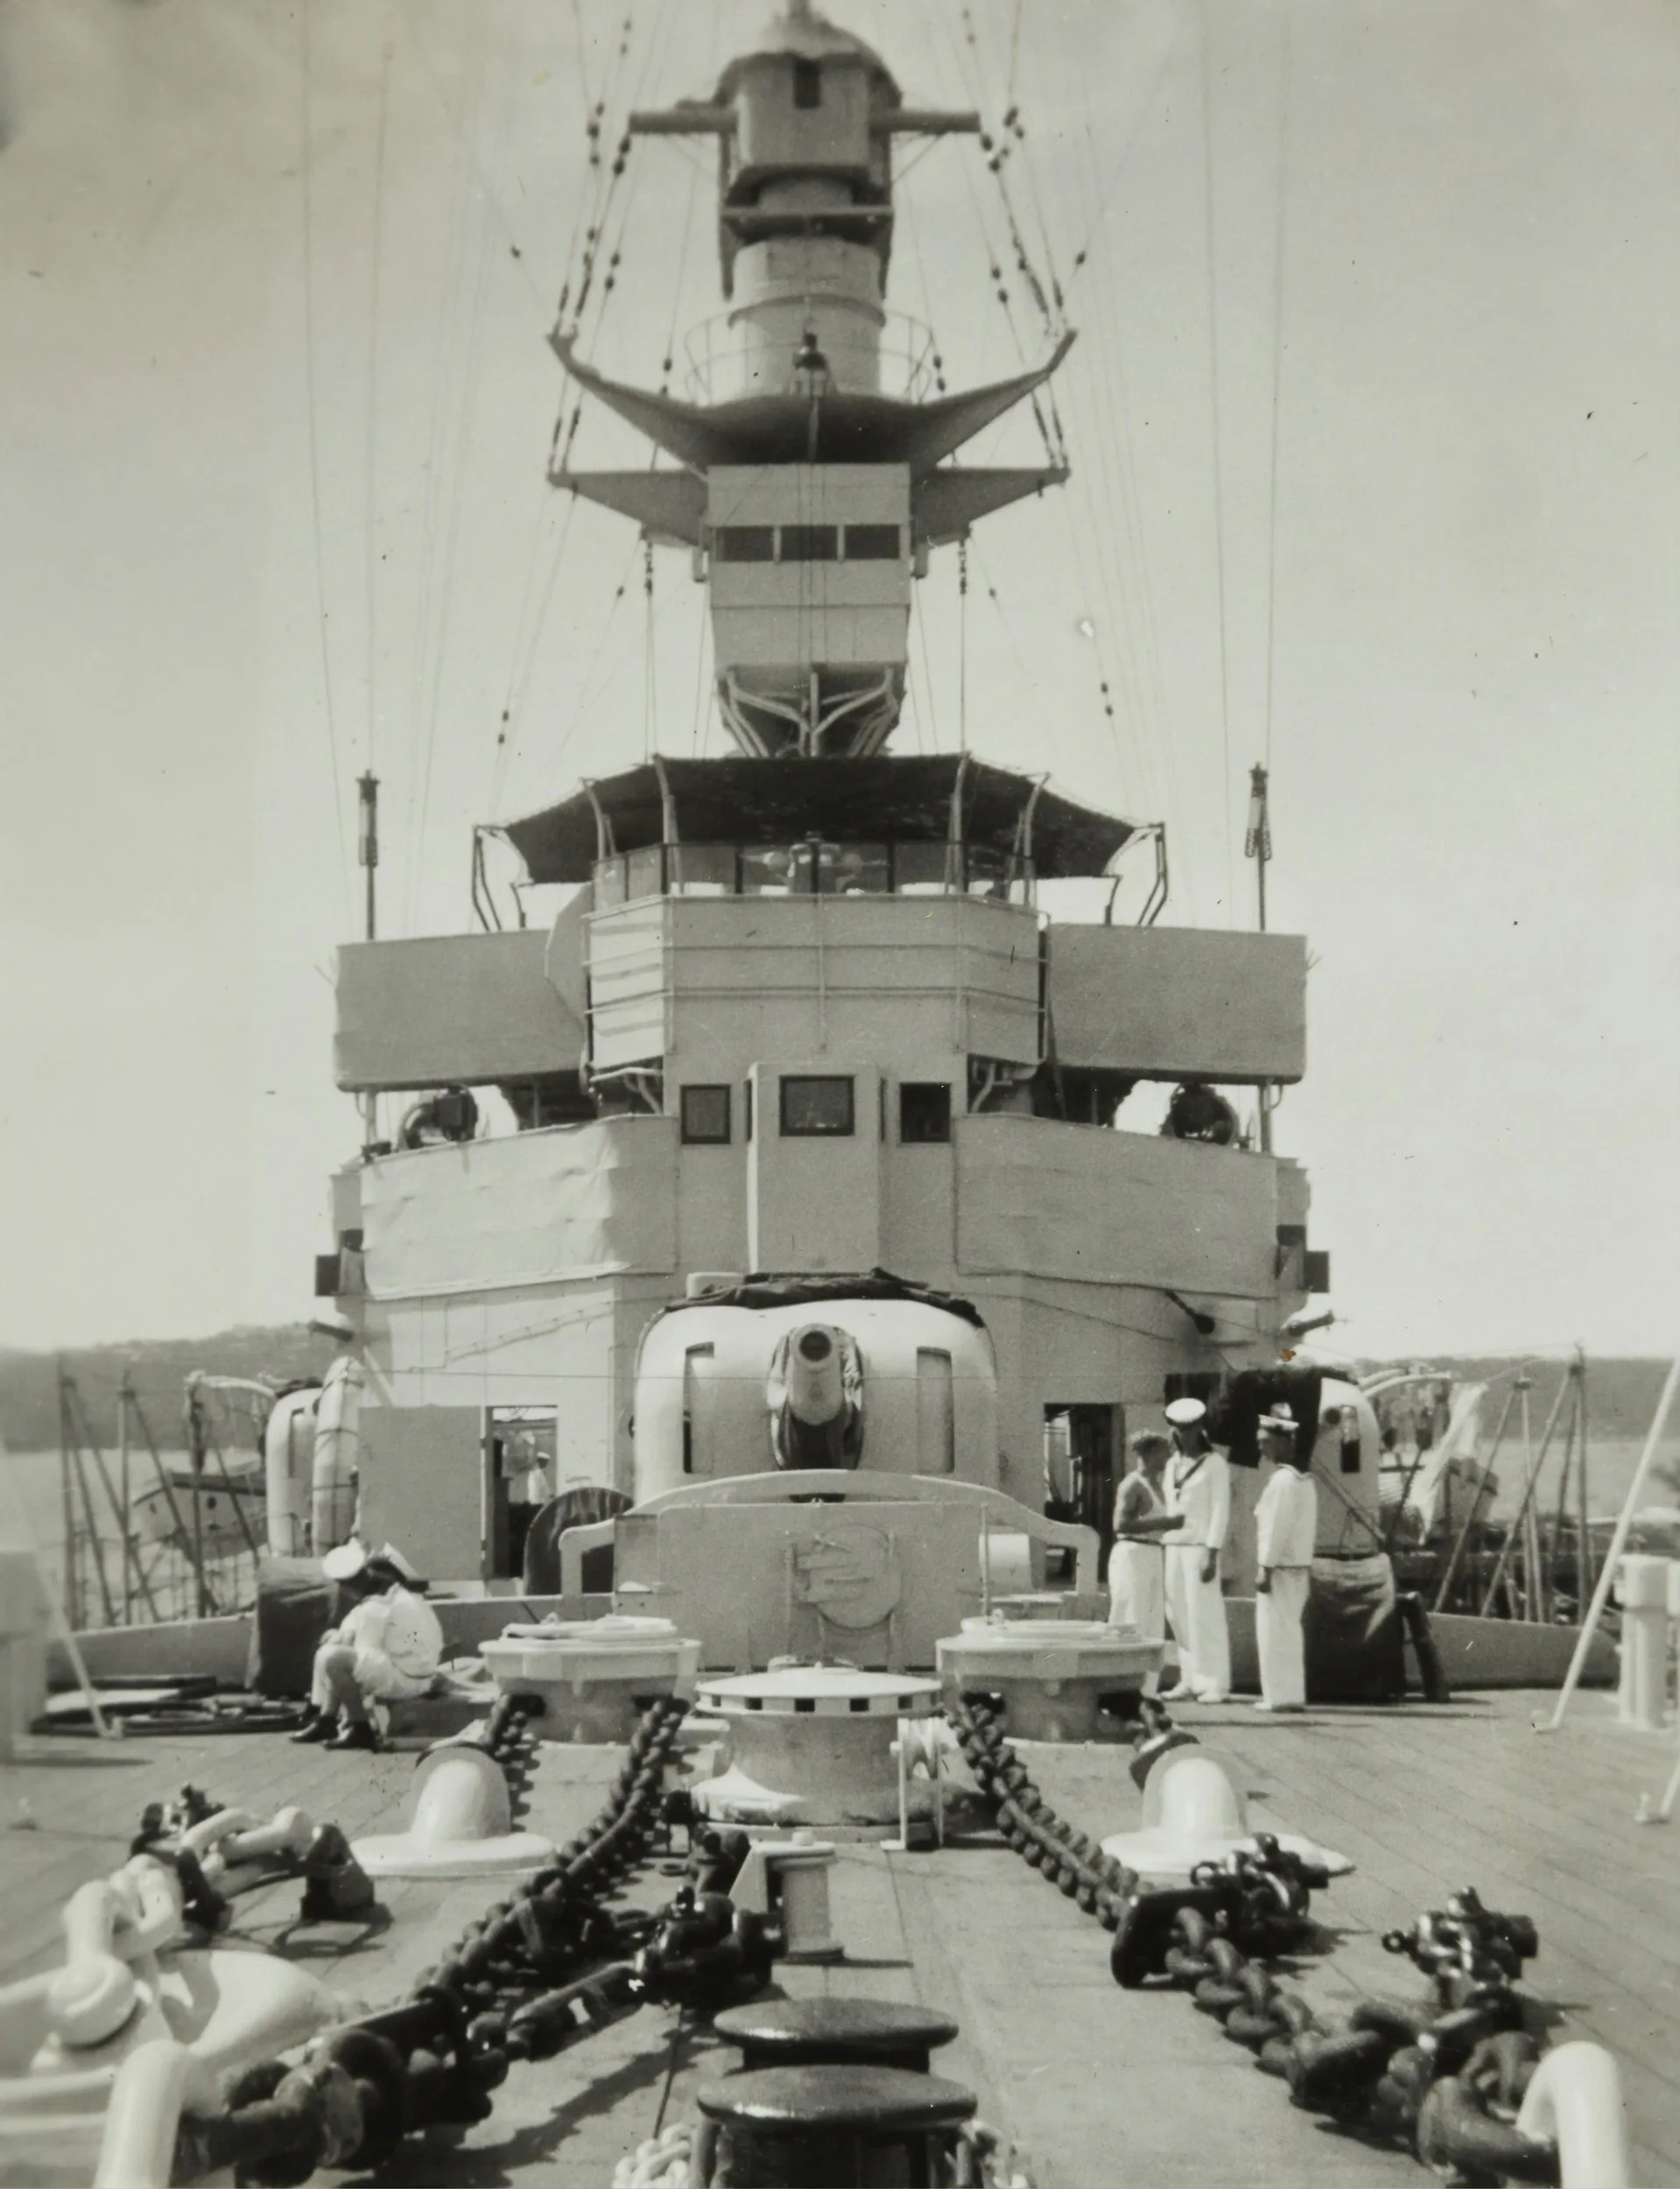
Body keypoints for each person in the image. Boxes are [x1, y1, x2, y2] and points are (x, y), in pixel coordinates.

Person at [291, 1542, 443, 1751]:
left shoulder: (376, 1607)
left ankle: (359, 1727)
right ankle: (326, 1720)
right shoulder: (403, 1598)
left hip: (406, 1680)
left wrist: (339, 1639)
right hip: (420, 1673)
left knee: (334, 1658)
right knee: (334, 1654)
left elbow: (359, 1654)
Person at [1162, 1397, 1233, 1701]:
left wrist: (1212, 1552)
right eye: (1179, 1429)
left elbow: (1220, 1510)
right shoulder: (1172, 1464)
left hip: (1199, 1548)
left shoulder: (1215, 1464)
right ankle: (1189, 1678)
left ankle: (1215, 1682)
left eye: (1189, 1428)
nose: (1183, 1434)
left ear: (1200, 1428)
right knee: (1178, 1615)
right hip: (1174, 1546)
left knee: (1205, 1615)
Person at [1107, 1431, 1184, 1691]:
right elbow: (1120, 1525)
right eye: (1164, 1452)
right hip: (1132, 1555)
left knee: (1152, 1625)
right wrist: (1166, 1523)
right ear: (1150, 1454)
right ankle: (1122, 1687)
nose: (1168, 1458)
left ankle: (1147, 1691)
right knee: (1132, 1620)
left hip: (1152, 1554)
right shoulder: (1132, 1485)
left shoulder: (1158, 1486)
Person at [1254, 1409, 1318, 1713]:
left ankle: (1278, 1697)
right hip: (1298, 1568)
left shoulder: (1282, 1482)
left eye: (1265, 1442)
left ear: (1281, 1443)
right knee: (1291, 1633)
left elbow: (1275, 1529)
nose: (1261, 1448)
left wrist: (1265, 1568)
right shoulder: (1304, 1481)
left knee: (1274, 1633)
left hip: (1279, 1569)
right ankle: (1291, 1695)